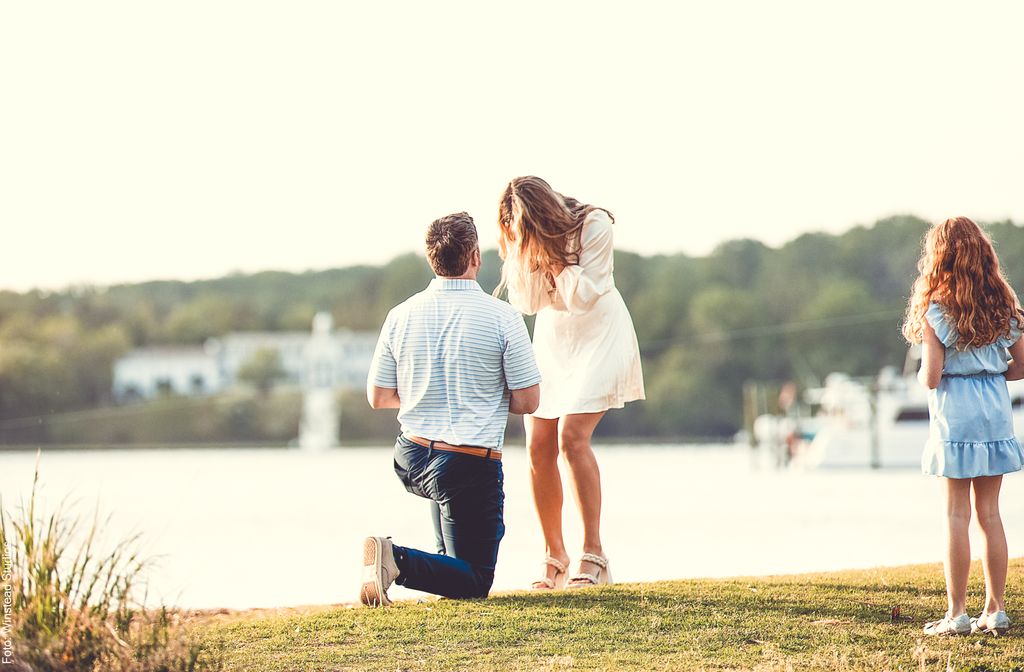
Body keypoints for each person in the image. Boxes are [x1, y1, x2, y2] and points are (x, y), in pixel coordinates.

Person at [361, 212, 541, 606]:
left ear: (432, 259)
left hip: (411, 455)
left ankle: (432, 571)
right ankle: (394, 560)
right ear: (475, 256)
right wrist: (480, 398)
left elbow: (378, 396)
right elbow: (529, 401)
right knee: (477, 580)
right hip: (467, 463)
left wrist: (430, 397)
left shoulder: (400, 314)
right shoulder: (504, 317)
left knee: (455, 564)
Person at [495, 176, 645, 589]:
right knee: (538, 443)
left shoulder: (595, 225)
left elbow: (584, 297)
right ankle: (553, 555)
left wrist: (555, 258)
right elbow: (527, 303)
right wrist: (530, 255)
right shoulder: (525, 243)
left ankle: (594, 554)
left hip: (600, 334)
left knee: (572, 437)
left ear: (542, 217)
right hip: (554, 339)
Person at [903, 216, 1024, 636]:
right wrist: (990, 374)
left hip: (955, 415)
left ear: (940, 256)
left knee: (956, 514)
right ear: (982, 253)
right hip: (994, 411)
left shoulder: (936, 309)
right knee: (990, 514)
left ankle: (957, 614)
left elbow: (932, 377)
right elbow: (1021, 366)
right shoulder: (1003, 303)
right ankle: (996, 609)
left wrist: (922, 375)